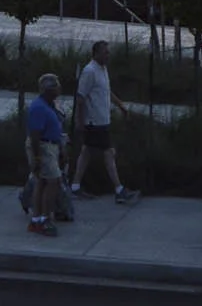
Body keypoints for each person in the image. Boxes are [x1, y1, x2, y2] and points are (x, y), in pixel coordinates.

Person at [70, 40, 140, 205]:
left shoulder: (103, 69)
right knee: (108, 152)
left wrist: (120, 105)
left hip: (103, 119)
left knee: (86, 152)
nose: (108, 55)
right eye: (105, 52)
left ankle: (75, 185)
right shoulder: (89, 71)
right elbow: (80, 98)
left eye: (108, 52)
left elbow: (106, 91)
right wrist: (80, 121)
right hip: (94, 121)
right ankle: (119, 189)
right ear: (96, 53)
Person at [25, 72, 66, 237]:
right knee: (52, 181)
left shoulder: (49, 105)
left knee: (42, 182)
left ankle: (37, 220)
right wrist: (37, 158)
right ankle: (44, 218)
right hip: (44, 146)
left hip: (51, 146)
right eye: (56, 85)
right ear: (48, 89)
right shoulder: (39, 108)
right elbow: (35, 134)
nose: (59, 88)